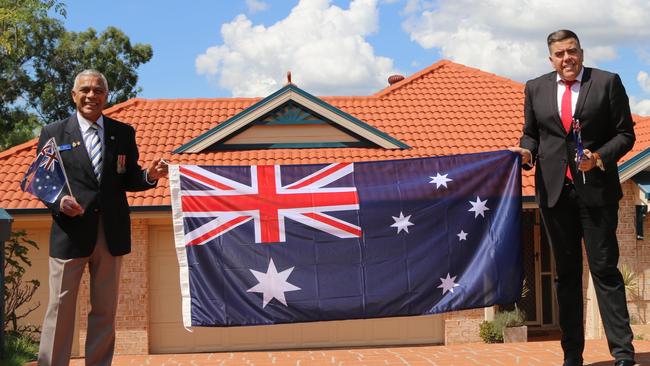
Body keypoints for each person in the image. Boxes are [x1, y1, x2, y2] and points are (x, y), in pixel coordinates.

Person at [510, 30, 636, 366]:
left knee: (604, 271)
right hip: (554, 194)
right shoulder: (535, 87)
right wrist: (526, 152)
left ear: (581, 52)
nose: (567, 58)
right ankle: (572, 356)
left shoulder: (608, 82)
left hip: (596, 193)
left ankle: (623, 353)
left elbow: (626, 135)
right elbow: (531, 133)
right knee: (565, 275)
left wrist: (597, 157)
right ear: (550, 58)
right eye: (560, 54)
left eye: (572, 51)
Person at [36, 69, 168, 366]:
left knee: (105, 310)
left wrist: (149, 175)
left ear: (106, 96)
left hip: (111, 234)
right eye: (85, 90)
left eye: (98, 91)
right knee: (60, 308)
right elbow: (43, 181)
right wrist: (59, 201)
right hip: (69, 234)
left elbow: (129, 177)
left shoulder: (123, 133)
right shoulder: (54, 133)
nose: (91, 96)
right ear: (74, 95)